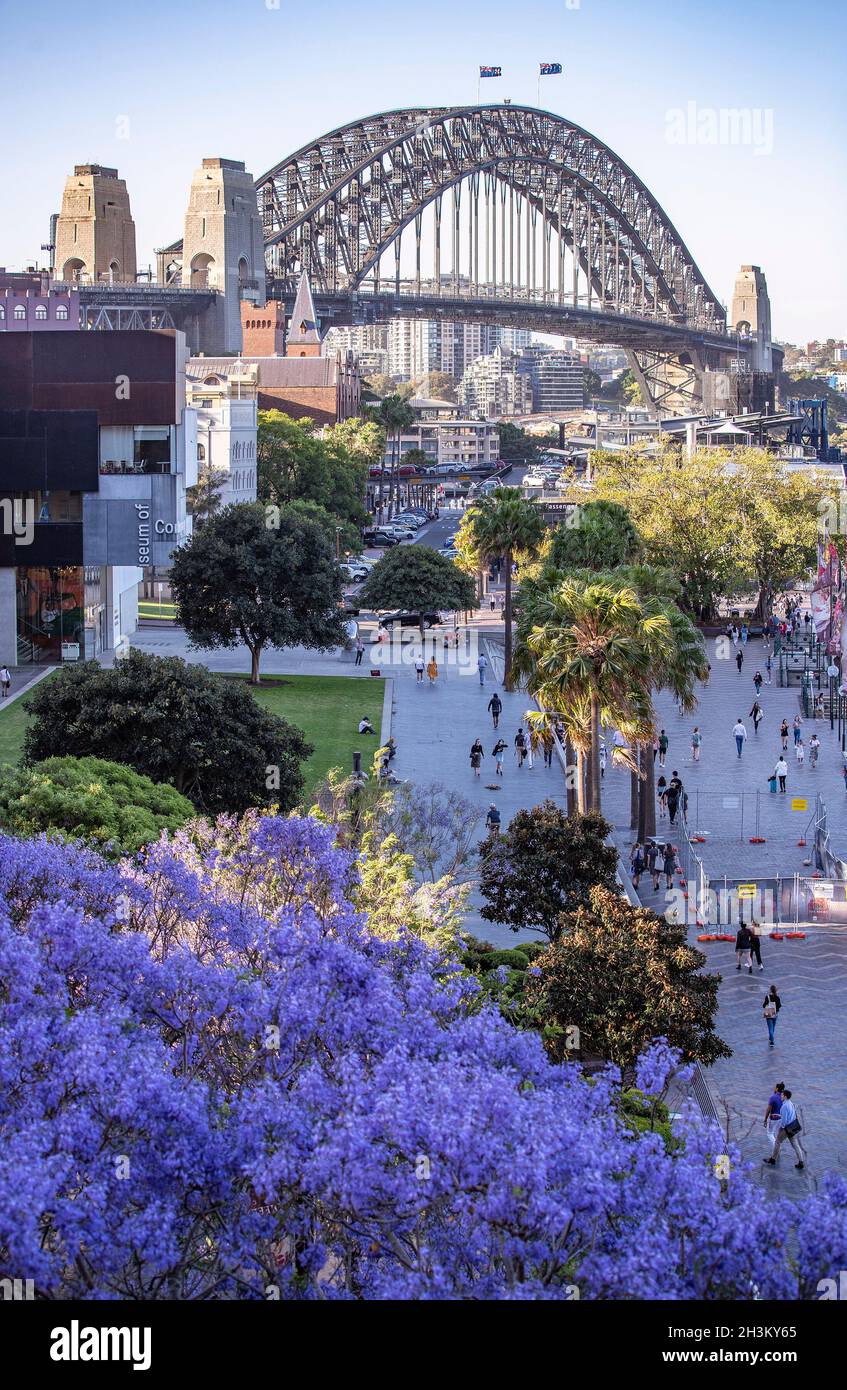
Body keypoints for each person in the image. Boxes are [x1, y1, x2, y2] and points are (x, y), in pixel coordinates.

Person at [764, 1088, 806, 1169]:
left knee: (777, 1142)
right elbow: (792, 1115)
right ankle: (801, 1162)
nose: (781, 1096)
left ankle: (773, 1159)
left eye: (782, 1095)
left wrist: (781, 1128)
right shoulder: (791, 1103)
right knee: (795, 1144)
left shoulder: (784, 1106)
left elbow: (784, 1121)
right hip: (793, 1126)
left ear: (785, 1096)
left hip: (786, 1128)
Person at [763, 1082, 785, 1153]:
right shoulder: (784, 1097)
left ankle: (776, 1149)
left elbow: (768, 1109)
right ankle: (778, 1147)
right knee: (777, 1134)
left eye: (775, 1087)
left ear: (777, 1088)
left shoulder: (773, 1097)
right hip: (781, 1118)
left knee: (770, 1133)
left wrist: (765, 1119)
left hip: (773, 1118)